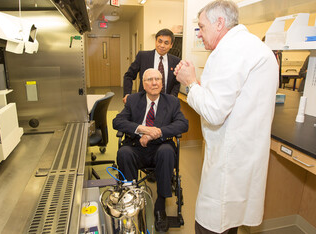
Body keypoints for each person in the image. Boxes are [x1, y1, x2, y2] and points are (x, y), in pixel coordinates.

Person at [174, 1, 279, 233]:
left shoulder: (229, 50)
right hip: (245, 155)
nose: (199, 34)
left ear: (219, 23)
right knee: (230, 223)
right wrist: (201, 86)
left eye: (201, 27)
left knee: (212, 223)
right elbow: (233, 98)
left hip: (229, 158)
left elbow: (214, 112)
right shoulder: (255, 47)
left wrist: (190, 82)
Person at [113, 68, 188, 232]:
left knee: (167, 151)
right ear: (143, 84)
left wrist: (158, 133)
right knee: (123, 153)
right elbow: (117, 122)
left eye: (157, 79)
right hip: (136, 148)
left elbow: (183, 124)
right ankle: (131, 202)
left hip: (161, 147)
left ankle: (160, 207)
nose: (154, 83)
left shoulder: (172, 102)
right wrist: (142, 129)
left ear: (162, 83)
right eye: (149, 80)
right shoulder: (133, 100)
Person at [123, 28, 181, 104]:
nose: (162, 45)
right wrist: (127, 94)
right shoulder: (143, 56)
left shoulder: (176, 61)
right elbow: (128, 76)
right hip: (144, 102)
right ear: (155, 41)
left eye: (166, 43)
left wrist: (172, 97)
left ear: (171, 45)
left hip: (166, 103)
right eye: (159, 41)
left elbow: (176, 82)